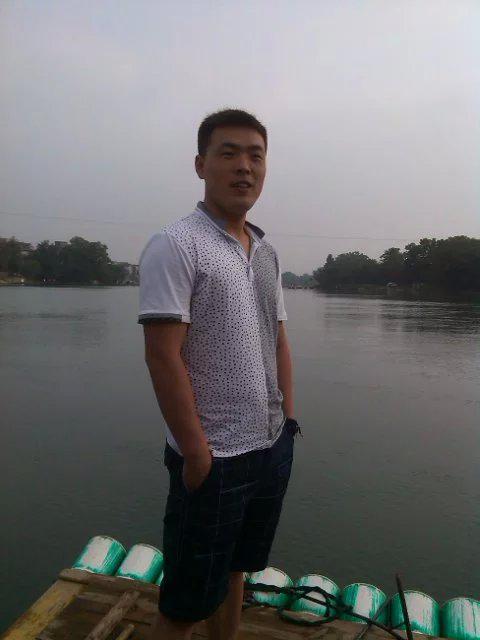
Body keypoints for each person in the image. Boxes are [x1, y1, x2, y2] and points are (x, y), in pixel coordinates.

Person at [138, 108, 300, 640]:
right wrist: (196, 454)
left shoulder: (266, 251)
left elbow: (277, 337)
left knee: (236, 572)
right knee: (185, 604)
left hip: (270, 447)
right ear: (201, 165)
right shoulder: (176, 244)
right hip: (214, 457)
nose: (244, 167)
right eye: (228, 153)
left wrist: (288, 424)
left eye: (255, 156)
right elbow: (162, 356)